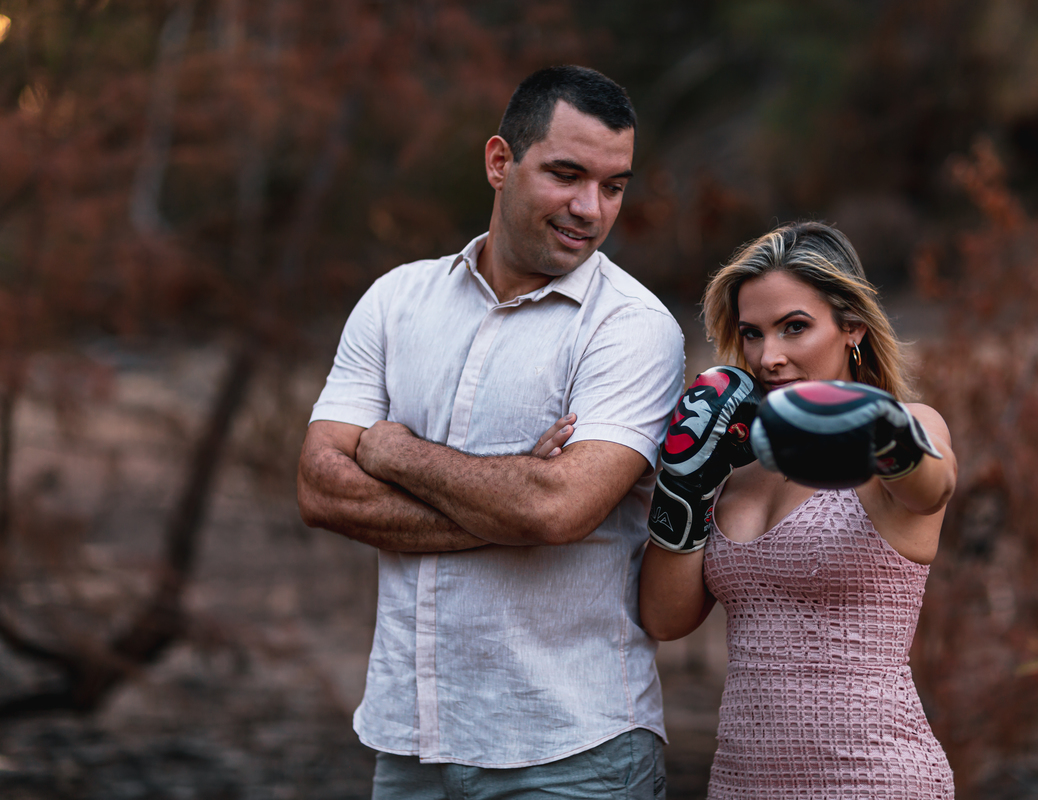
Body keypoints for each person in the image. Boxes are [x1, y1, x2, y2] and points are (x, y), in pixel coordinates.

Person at [296, 65, 684, 800]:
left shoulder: (632, 330)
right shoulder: (396, 301)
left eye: (614, 185)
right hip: (410, 742)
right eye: (566, 174)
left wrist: (393, 450)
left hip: (572, 751)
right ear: (500, 162)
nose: (590, 209)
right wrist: (512, 499)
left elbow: (555, 510)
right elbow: (321, 488)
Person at [638, 221, 957, 799]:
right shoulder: (735, 466)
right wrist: (684, 486)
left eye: (794, 328)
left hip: (874, 778)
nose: (769, 356)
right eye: (752, 334)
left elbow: (931, 488)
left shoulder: (905, 427)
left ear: (851, 326)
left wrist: (882, 435)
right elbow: (665, 619)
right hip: (741, 782)